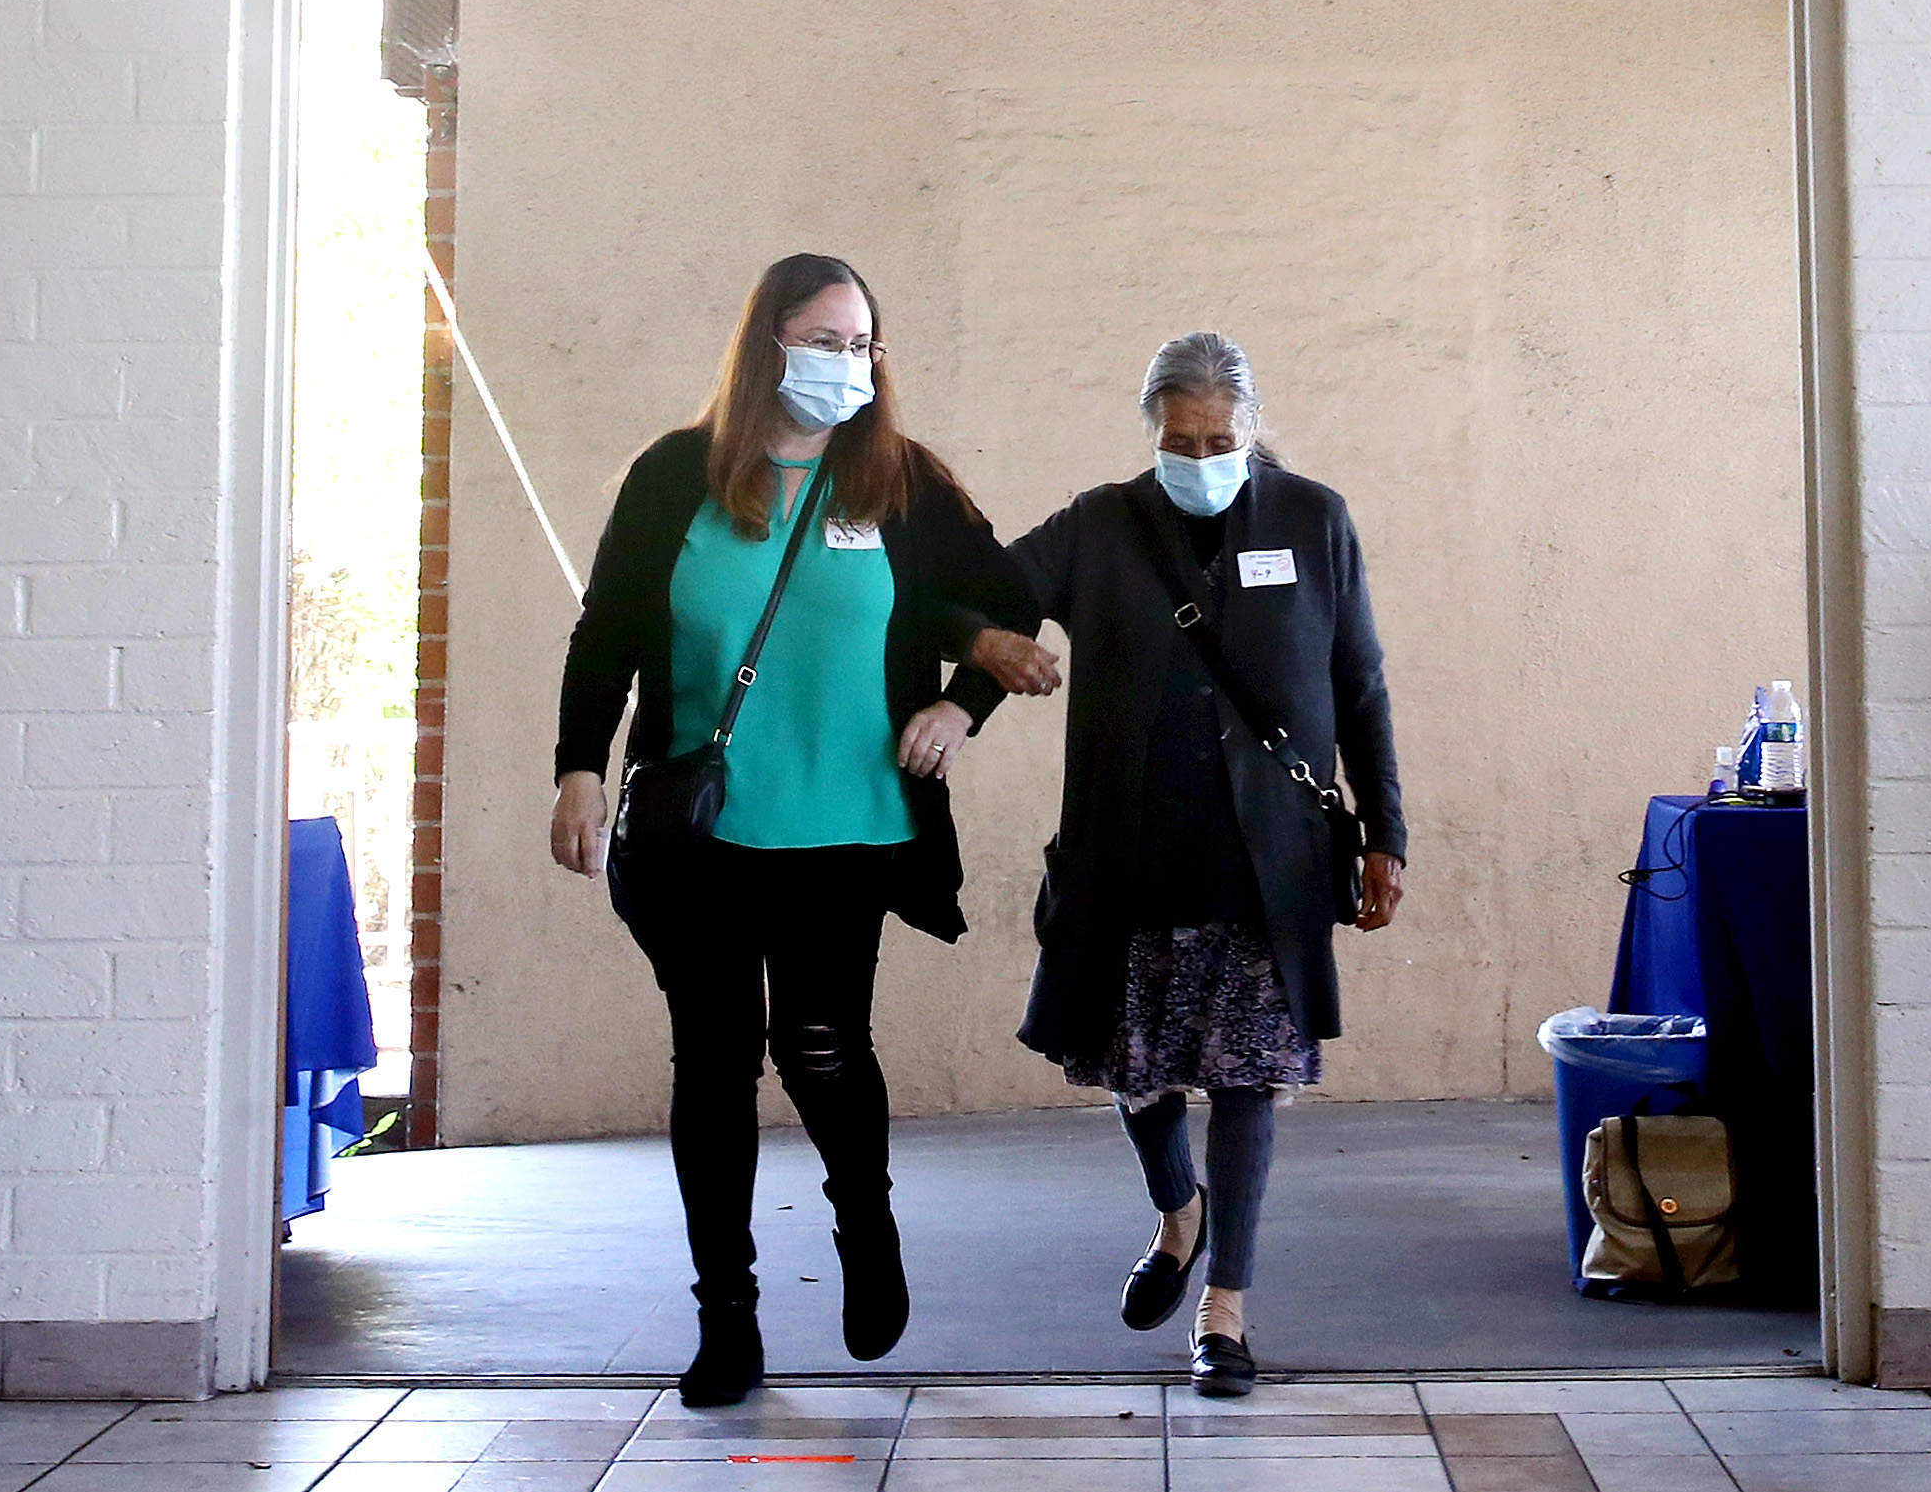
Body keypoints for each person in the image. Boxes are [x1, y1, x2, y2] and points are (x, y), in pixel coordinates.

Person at [550, 252, 1044, 1408]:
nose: (846, 364)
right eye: (823, 340)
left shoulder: (900, 478)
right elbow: (607, 629)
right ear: (766, 341)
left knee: (821, 1047)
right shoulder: (678, 474)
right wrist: (578, 769)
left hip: (849, 825)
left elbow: (1010, 605)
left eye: (862, 343)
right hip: (700, 831)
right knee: (713, 1068)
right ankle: (728, 1317)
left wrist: (954, 705)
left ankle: (864, 1228)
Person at [962, 331, 1406, 1400]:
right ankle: (1179, 1211)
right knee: (1134, 1067)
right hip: (1129, 849)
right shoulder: (1099, 526)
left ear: (1253, 428)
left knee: (1249, 1079)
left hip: (1270, 861)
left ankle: (1226, 1311)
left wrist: (1387, 830)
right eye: (1179, 438)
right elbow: (972, 591)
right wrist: (985, 652)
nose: (1199, 455)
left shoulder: (1313, 518)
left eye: (1219, 438)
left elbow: (1360, 683)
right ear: (1151, 432)